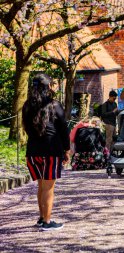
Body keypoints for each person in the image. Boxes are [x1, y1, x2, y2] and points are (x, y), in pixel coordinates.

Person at [22, 73, 70, 231]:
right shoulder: (54, 104)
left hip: (33, 151)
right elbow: (63, 129)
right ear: (48, 87)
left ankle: (42, 218)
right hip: (51, 150)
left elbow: (27, 128)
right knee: (49, 188)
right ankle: (48, 222)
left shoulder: (27, 105)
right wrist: (67, 149)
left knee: (41, 186)